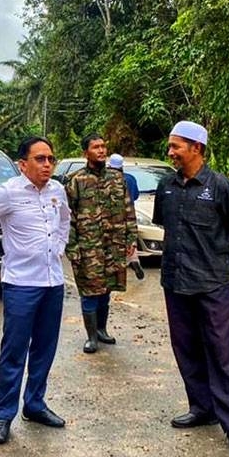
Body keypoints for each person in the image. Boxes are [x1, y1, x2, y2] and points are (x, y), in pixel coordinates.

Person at [152, 122, 229, 454]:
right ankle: (202, 408)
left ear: (197, 148)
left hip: (211, 283)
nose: (170, 153)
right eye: (170, 146)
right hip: (176, 282)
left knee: (224, 352)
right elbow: (167, 228)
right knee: (187, 348)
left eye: (176, 147)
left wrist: (214, 259)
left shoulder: (221, 186)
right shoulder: (167, 186)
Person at [0, 136, 70, 445]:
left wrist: (60, 246)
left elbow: (64, 221)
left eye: (50, 158)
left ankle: (34, 405)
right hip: (22, 284)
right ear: (22, 164)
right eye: (40, 159)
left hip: (53, 283)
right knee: (14, 351)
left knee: (45, 348)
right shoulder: (8, 192)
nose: (47, 164)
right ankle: (3, 415)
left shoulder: (57, 191)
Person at [66, 135, 138, 354]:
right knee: (89, 291)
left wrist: (131, 239)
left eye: (103, 146)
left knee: (107, 289)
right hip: (89, 247)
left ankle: (101, 329)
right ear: (85, 153)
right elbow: (67, 216)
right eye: (95, 147)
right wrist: (72, 247)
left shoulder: (118, 179)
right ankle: (90, 337)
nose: (101, 150)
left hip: (113, 245)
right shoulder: (75, 180)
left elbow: (128, 210)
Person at [108, 154, 145, 281]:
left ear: (109, 165)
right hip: (129, 213)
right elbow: (135, 196)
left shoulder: (107, 179)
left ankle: (117, 267)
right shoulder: (130, 179)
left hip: (113, 215)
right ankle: (134, 259)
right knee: (130, 239)